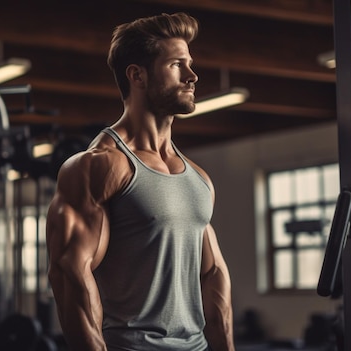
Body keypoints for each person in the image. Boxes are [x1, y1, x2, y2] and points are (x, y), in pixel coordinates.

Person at [46, 12, 234, 351]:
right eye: (177, 65)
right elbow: (70, 274)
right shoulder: (99, 166)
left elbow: (212, 273)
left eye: (189, 64)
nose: (192, 76)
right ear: (138, 75)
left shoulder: (198, 179)